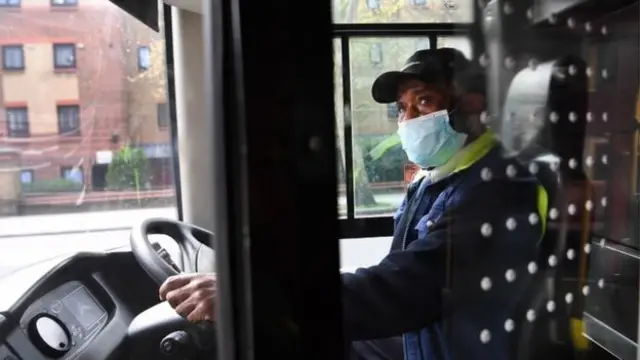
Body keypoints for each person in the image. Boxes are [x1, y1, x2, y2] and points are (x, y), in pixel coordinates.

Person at [159, 48, 547, 360]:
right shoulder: (439, 177)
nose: (408, 120)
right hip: (424, 339)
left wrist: (260, 297)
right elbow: (400, 271)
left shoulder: (498, 189)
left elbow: (410, 288)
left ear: (471, 108)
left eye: (424, 102)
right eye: (402, 107)